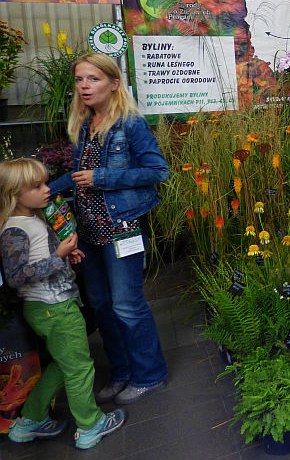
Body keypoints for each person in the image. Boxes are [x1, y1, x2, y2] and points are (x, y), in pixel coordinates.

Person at [50, 52, 169, 405]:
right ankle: (122, 372)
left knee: (127, 305)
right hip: (87, 233)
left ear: (114, 83)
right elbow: (78, 176)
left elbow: (157, 171)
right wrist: (39, 190)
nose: (84, 86)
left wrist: (103, 178)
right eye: (80, 79)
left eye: (94, 78)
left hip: (122, 229)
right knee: (101, 305)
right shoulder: (84, 125)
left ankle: (150, 374)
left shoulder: (130, 123)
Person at [0, 158, 125, 449]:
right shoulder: (14, 230)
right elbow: (17, 276)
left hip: (50, 307)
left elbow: (38, 258)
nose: (47, 189)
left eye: (45, 183)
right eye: (37, 186)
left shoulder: (30, 220)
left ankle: (30, 419)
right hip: (55, 308)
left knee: (61, 364)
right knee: (79, 368)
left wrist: (64, 255)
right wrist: (58, 257)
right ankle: (90, 425)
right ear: (14, 194)